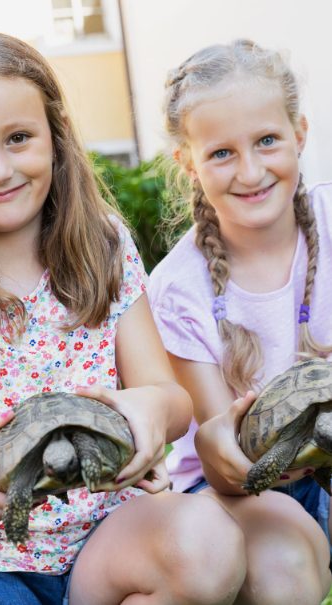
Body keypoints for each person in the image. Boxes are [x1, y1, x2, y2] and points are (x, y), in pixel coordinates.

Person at [0, 31, 248, 605]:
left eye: (18, 138)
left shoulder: (104, 244)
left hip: (108, 536)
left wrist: (149, 409)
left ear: (55, 136)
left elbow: (170, 400)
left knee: (209, 544)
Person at [148, 39, 332, 604]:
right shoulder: (178, 288)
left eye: (268, 141)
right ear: (189, 164)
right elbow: (222, 454)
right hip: (237, 487)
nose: (251, 171)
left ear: (299, 134)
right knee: (283, 571)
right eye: (221, 153)